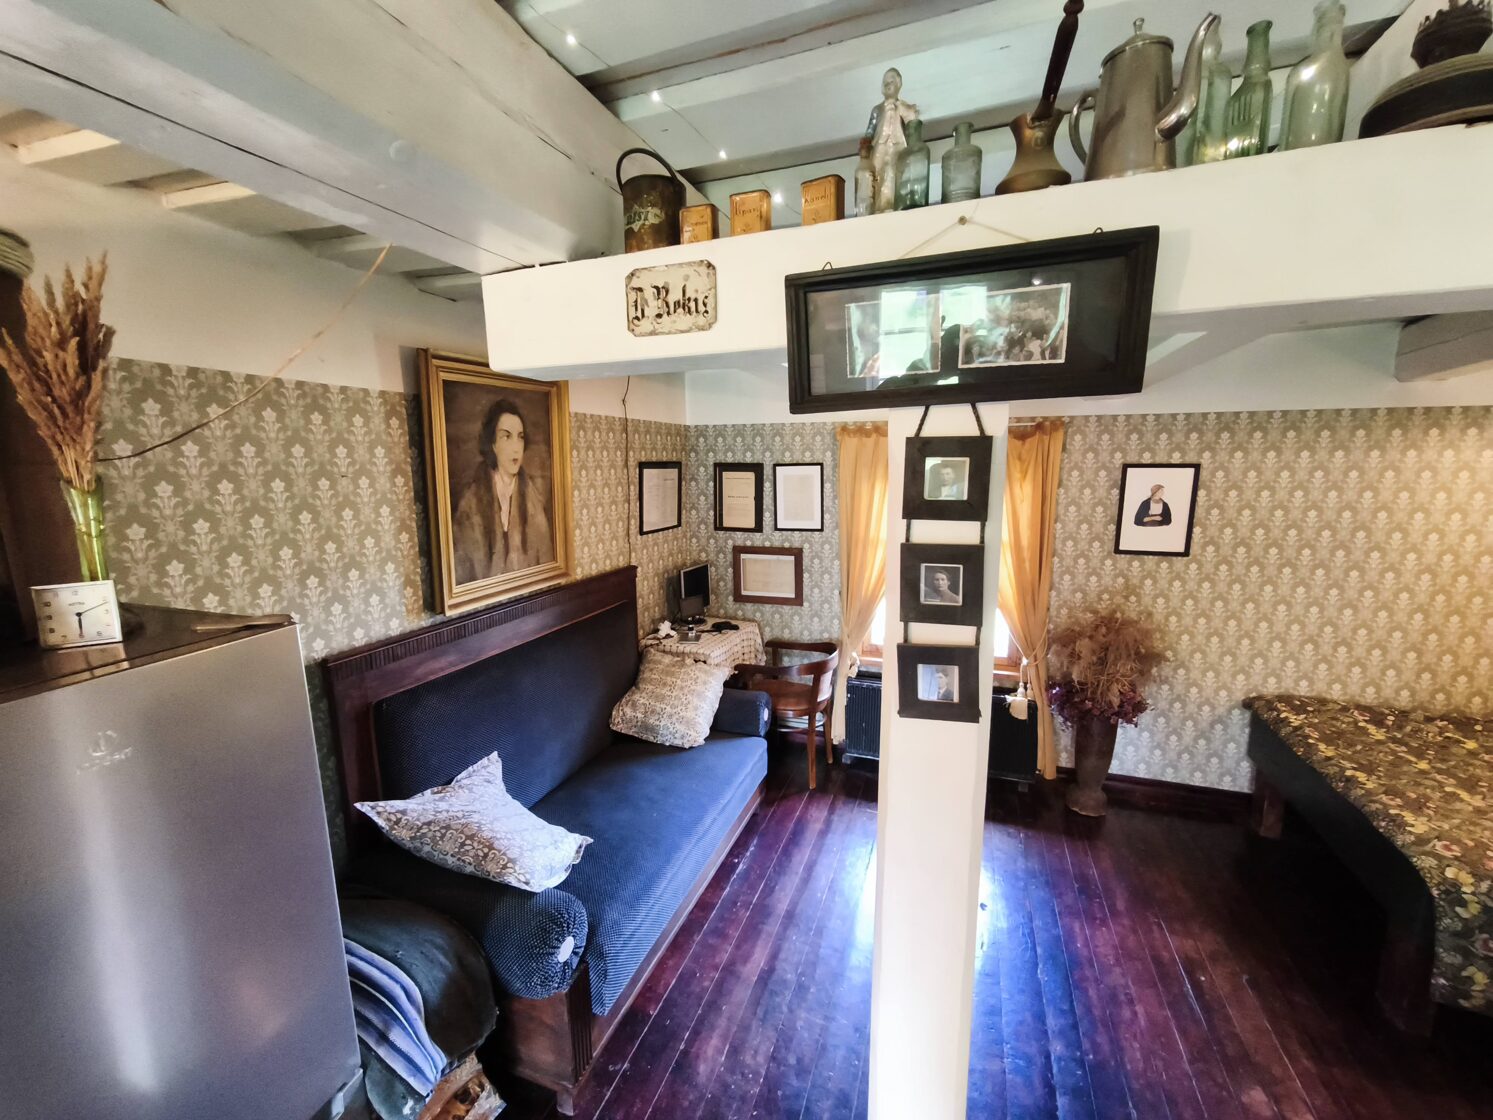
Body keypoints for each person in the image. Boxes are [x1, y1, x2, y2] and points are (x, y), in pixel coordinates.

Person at [452, 397, 554, 584]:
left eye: (520, 437)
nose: (516, 448)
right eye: (506, 436)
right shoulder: (470, 505)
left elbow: (545, 561)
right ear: (493, 444)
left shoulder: (534, 503)